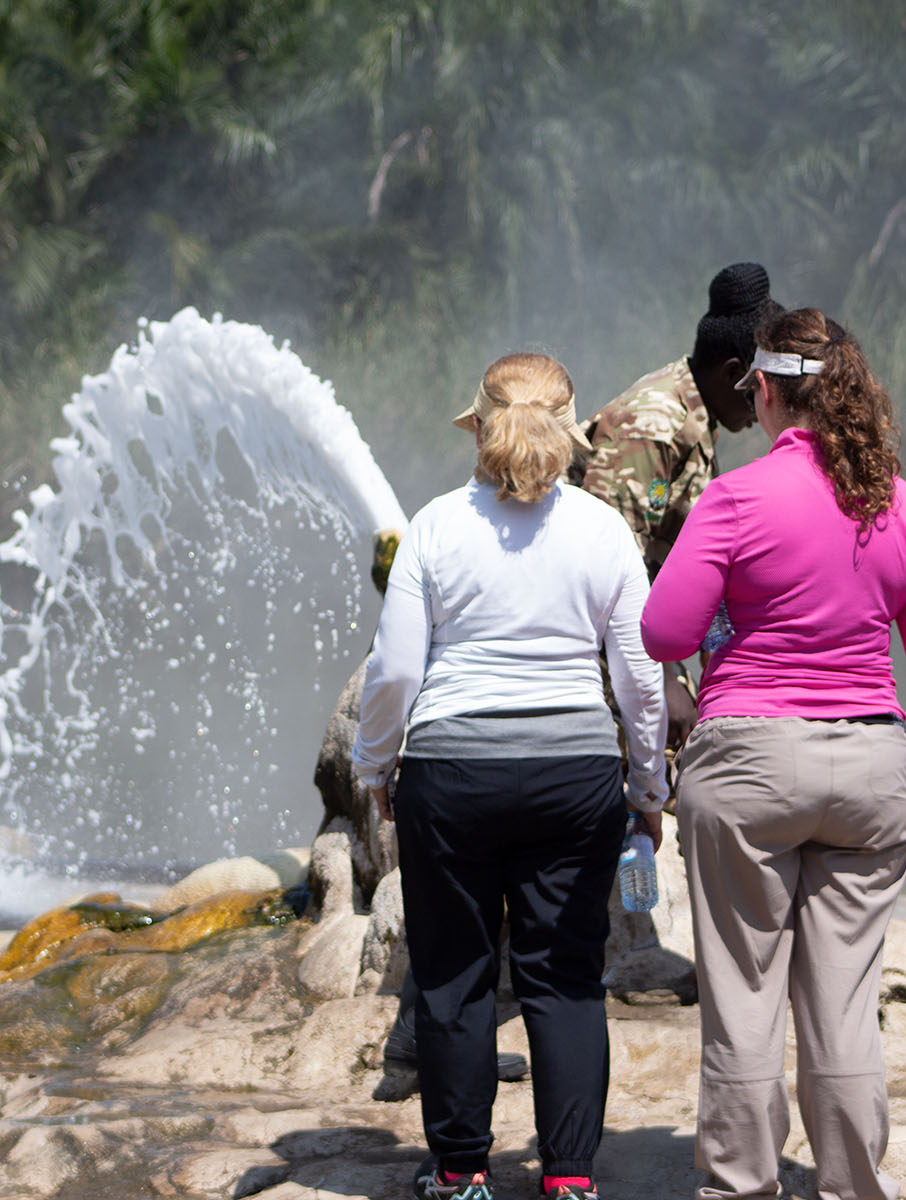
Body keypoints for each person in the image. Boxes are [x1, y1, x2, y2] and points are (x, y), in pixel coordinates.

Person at [640, 309, 906, 1200]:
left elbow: (664, 629)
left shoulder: (737, 497)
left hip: (747, 770)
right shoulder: (901, 505)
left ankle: (742, 1187)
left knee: (745, 1004)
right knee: (843, 1010)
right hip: (869, 774)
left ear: (764, 391)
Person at [354, 352, 669, 1200]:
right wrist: (647, 788)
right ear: (565, 430)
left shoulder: (434, 526)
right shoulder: (602, 530)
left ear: (481, 427)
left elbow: (393, 672)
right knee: (565, 976)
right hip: (575, 777)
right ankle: (568, 1177)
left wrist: (374, 764)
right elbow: (640, 673)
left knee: (454, 975)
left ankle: (460, 1173)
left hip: (451, 774)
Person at [574, 262, 780, 748]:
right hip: (584, 640)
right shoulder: (655, 425)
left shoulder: (696, 419)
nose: (760, 414)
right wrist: (663, 679)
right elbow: (603, 569)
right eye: (756, 393)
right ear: (734, 374)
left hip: (629, 634)